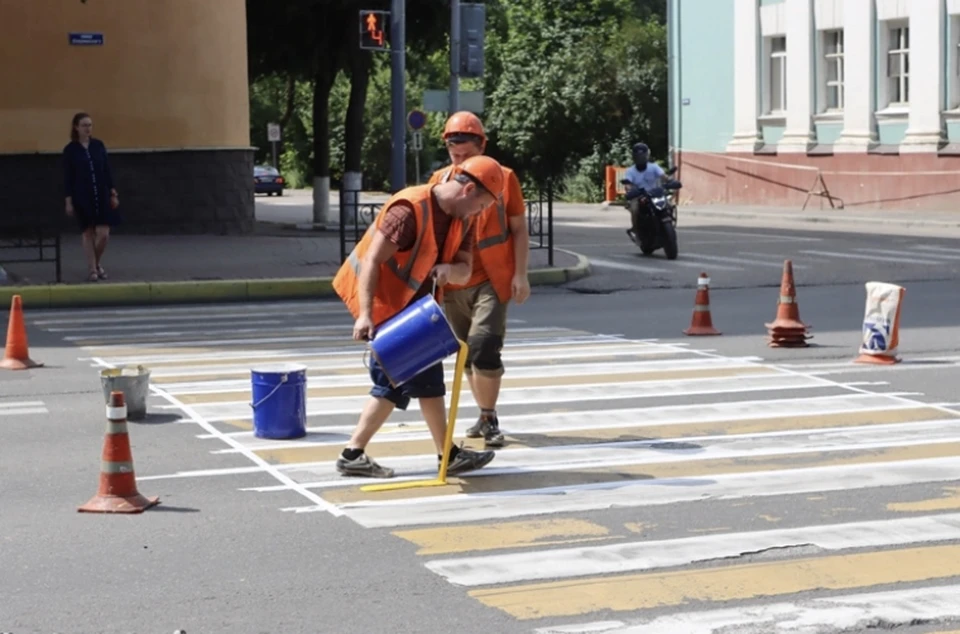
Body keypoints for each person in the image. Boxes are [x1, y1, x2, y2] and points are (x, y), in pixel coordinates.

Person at [332, 154, 507, 479]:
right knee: (393, 383)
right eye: (482, 205)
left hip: (419, 312)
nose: (480, 213)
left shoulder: (463, 220)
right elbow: (371, 261)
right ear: (468, 190)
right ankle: (352, 453)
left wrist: (449, 270)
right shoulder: (409, 210)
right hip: (385, 308)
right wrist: (366, 315)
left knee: (428, 383)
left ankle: (447, 454)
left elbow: (465, 269)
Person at [426, 111, 530, 449]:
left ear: (481, 145)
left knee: (485, 347)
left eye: (466, 154)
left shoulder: (505, 178)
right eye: (454, 155)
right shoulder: (440, 180)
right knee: (465, 353)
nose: (460, 162)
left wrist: (521, 274)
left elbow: (518, 228)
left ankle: (488, 414)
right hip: (455, 281)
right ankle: (484, 416)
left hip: (492, 277)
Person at [63, 112, 121, 282]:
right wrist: (68, 201)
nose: (88, 128)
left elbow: (106, 170)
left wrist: (113, 192)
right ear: (76, 127)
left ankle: (96, 264)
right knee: (88, 232)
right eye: (84, 125)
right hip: (82, 195)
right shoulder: (70, 150)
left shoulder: (98, 145)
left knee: (103, 234)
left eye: (90, 125)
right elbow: (68, 177)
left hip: (101, 193)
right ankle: (92, 269)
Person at [622, 142, 668, 240]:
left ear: (647, 155)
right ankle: (635, 230)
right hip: (639, 195)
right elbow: (628, 184)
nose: (641, 158)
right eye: (638, 156)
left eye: (643, 156)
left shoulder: (654, 167)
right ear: (634, 157)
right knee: (634, 209)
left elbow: (664, 177)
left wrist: (670, 181)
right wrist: (630, 190)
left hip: (654, 194)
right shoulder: (630, 171)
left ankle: (668, 221)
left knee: (668, 204)